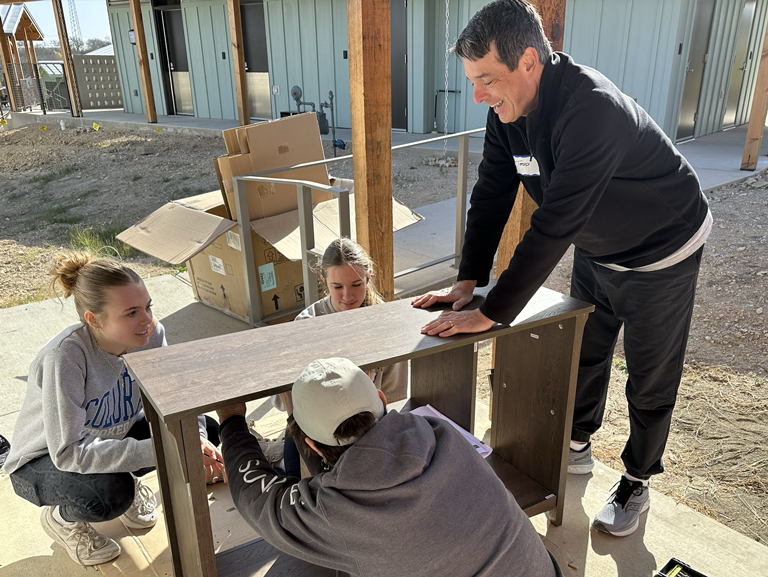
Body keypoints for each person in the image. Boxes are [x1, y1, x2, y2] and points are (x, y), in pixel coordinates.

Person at [413, 0, 710, 537]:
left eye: (486, 79)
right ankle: (577, 441)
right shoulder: (506, 114)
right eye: (472, 80)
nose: (477, 94)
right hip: (598, 247)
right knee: (587, 352)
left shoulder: (593, 111)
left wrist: (495, 312)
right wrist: (469, 280)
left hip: (661, 248)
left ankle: (638, 479)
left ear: (529, 61)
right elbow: (492, 193)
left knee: (648, 375)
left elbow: (554, 224)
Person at [217, 357, 562, 576]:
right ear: (381, 398)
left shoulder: (334, 513)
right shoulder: (440, 435)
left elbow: (257, 499)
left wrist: (232, 421)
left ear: (310, 445)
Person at [2, 252, 226, 566]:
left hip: (108, 436)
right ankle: (63, 519)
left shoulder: (150, 335)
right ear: (94, 319)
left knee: (202, 429)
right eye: (131, 312)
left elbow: (177, 401)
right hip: (44, 460)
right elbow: (68, 453)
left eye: (148, 306)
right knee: (110, 495)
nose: (146, 320)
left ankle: (127, 476)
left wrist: (195, 440)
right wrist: (169, 450)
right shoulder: (66, 356)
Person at [273, 237, 408, 412]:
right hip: (318, 422)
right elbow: (281, 401)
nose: (347, 296)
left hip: (374, 422)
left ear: (368, 277)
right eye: (337, 287)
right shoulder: (306, 325)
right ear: (324, 280)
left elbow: (395, 398)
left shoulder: (386, 323)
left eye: (356, 284)